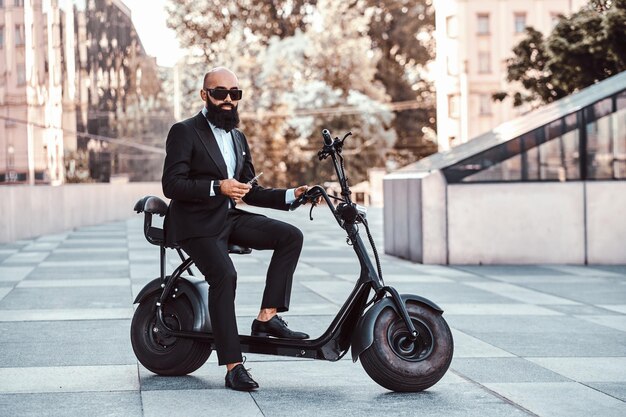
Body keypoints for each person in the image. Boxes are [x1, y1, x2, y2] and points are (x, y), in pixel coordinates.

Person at [162, 67, 311, 391]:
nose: (228, 100)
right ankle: (233, 366)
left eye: (235, 94)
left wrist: (291, 195)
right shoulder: (185, 131)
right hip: (195, 224)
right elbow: (171, 184)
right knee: (225, 276)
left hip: (226, 218)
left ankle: (267, 318)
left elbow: (249, 190)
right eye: (220, 93)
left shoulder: (237, 137)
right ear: (205, 95)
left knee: (290, 236)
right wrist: (217, 186)